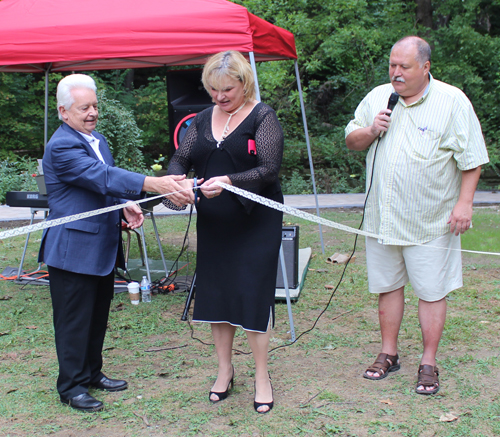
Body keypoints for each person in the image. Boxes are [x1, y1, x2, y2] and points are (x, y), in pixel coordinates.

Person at [39, 74, 192, 412]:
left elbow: (99, 186)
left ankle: (92, 373)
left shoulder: (98, 140)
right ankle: (71, 386)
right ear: (64, 112)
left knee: (96, 316)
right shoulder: (62, 145)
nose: (92, 113)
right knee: (74, 320)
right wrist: (153, 183)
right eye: (84, 108)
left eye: (95, 106)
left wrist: (125, 203)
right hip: (72, 250)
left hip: (101, 246)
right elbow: (103, 176)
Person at [345, 36, 489, 395]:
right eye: (392, 65)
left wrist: (465, 203)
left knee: (431, 291)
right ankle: (388, 353)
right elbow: (351, 140)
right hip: (383, 219)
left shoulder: (452, 101)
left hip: (430, 221)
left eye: (404, 67)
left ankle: (428, 362)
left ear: (425, 67)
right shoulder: (379, 97)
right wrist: (371, 130)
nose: (396, 73)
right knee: (388, 286)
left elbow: (472, 158)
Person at [164, 51, 283, 413]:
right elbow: (180, 159)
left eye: (227, 89)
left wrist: (230, 181)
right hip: (214, 223)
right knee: (216, 297)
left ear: (244, 84)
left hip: (255, 222)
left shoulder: (263, 116)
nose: (219, 97)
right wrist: (175, 184)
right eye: (213, 90)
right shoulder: (201, 119)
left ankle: (262, 375)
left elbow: (269, 169)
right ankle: (224, 369)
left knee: (251, 294)